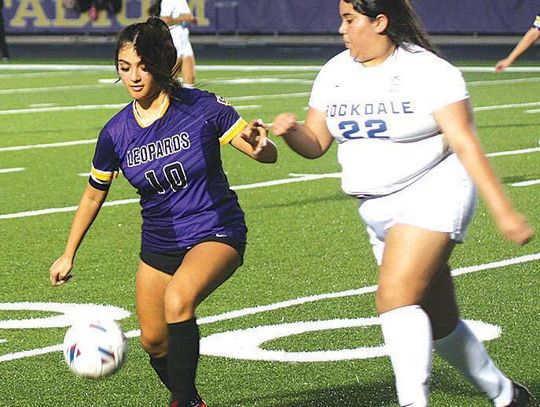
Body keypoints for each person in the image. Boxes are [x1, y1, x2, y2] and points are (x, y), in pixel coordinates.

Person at [272, 1, 535, 406]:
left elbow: (465, 141)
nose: (341, 29)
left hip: (434, 191)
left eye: (349, 19)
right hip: (375, 207)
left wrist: (504, 211)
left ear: (380, 21)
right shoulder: (336, 71)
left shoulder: (429, 71)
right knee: (440, 322)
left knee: (394, 298)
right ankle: (505, 395)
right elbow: (317, 143)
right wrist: (290, 132)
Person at [49, 17, 277, 407]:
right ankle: (191, 399)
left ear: (163, 62)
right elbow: (93, 194)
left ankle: (183, 401)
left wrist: (260, 146)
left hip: (214, 229)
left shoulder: (202, 107)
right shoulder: (116, 132)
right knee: (154, 341)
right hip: (160, 241)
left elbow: (263, 152)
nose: (134, 77)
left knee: (179, 300)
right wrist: (68, 253)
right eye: (124, 68)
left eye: (142, 65)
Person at [154, 0, 198, 88]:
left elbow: (186, 17)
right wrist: (184, 18)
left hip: (184, 39)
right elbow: (164, 19)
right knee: (171, 76)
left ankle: (188, 100)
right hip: (174, 39)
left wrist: (192, 19)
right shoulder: (168, 1)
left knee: (190, 78)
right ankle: (165, 98)